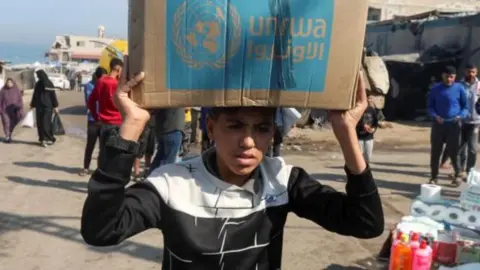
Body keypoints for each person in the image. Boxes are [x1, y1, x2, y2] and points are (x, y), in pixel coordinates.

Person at [80, 70, 384, 269]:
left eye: (262, 128)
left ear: (273, 135)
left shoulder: (281, 182)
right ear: (211, 128)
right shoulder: (172, 184)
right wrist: (131, 126)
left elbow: (366, 224)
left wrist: (346, 133)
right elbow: (101, 231)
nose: (248, 141)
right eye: (235, 126)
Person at [427, 66, 468, 186]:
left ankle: (457, 175)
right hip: (438, 125)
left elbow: (465, 107)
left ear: (455, 77)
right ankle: (434, 177)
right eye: (447, 76)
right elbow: (430, 106)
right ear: (442, 76)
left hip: (453, 125)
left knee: (454, 152)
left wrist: (460, 116)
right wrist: (435, 116)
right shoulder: (435, 89)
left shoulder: (459, 88)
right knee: (435, 152)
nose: (449, 79)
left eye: (452, 77)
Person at [87, 58, 124, 169]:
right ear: (118, 68)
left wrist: (96, 116)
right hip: (117, 123)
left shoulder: (101, 81)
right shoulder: (118, 84)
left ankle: (100, 177)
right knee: (116, 154)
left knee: (103, 152)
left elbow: (91, 101)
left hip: (103, 123)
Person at [79, 67, 107, 176]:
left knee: (103, 147)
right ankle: (86, 168)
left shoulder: (106, 85)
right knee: (90, 145)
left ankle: (100, 169)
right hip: (93, 120)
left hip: (104, 120)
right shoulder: (88, 86)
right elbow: (89, 101)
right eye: (102, 78)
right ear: (97, 76)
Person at [148, 108, 185, 174]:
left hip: (162, 129)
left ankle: (150, 178)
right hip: (173, 129)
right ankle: (159, 180)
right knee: (168, 161)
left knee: (159, 158)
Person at [459, 63, 480, 176]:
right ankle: (460, 170)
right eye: (468, 72)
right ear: (465, 72)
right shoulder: (459, 86)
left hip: (475, 122)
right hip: (461, 122)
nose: (470, 74)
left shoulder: (479, 86)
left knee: (472, 148)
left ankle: (470, 171)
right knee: (461, 148)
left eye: (473, 72)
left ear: (476, 73)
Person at [30, 70, 59, 147]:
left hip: (48, 107)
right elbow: (35, 95)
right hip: (39, 107)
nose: (38, 77)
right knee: (39, 123)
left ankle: (49, 138)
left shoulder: (49, 83)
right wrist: (32, 104)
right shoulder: (38, 84)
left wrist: (55, 106)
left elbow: (53, 96)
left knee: (45, 123)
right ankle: (42, 139)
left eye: (39, 76)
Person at [0, 78, 24, 143]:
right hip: (4, 110)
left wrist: (20, 107)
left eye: (10, 83)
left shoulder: (16, 90)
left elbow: (20, 100)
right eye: (8, 83)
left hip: (14, 110)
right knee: (6, 122)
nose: (9, 84)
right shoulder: (3, 90)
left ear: (13, 83)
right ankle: (7, 136)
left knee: (12, 123)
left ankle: (9, 134)